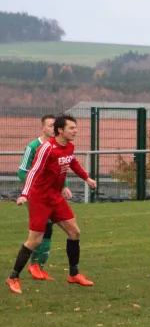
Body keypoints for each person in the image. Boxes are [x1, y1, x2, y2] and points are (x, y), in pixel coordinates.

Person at [7, 114, 97, 294]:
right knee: (35, 240)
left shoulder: (69, 146)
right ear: (60, 130)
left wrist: (86, 178)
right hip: (40, 198)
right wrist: (25, 194)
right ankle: (13, 277)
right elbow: (33, 171)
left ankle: (73, 274)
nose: (75, 131)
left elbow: (73, 163)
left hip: (55, 198)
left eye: (75, 127)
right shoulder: (46, 148)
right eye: (72, 128)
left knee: (75, 232)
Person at [17, 114, 73, 281]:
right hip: (37, 195)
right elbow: (23, 172)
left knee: (50, 231)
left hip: (53, 196)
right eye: (50, 126)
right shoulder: (33, 147)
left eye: (55, 126)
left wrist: (64, 186)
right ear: (42, 128)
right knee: (43, 229)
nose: (53, 129)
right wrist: (35, 189)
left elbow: (61, 167)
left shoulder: (59, 146)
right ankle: (33, 266)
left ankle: (39, 267)